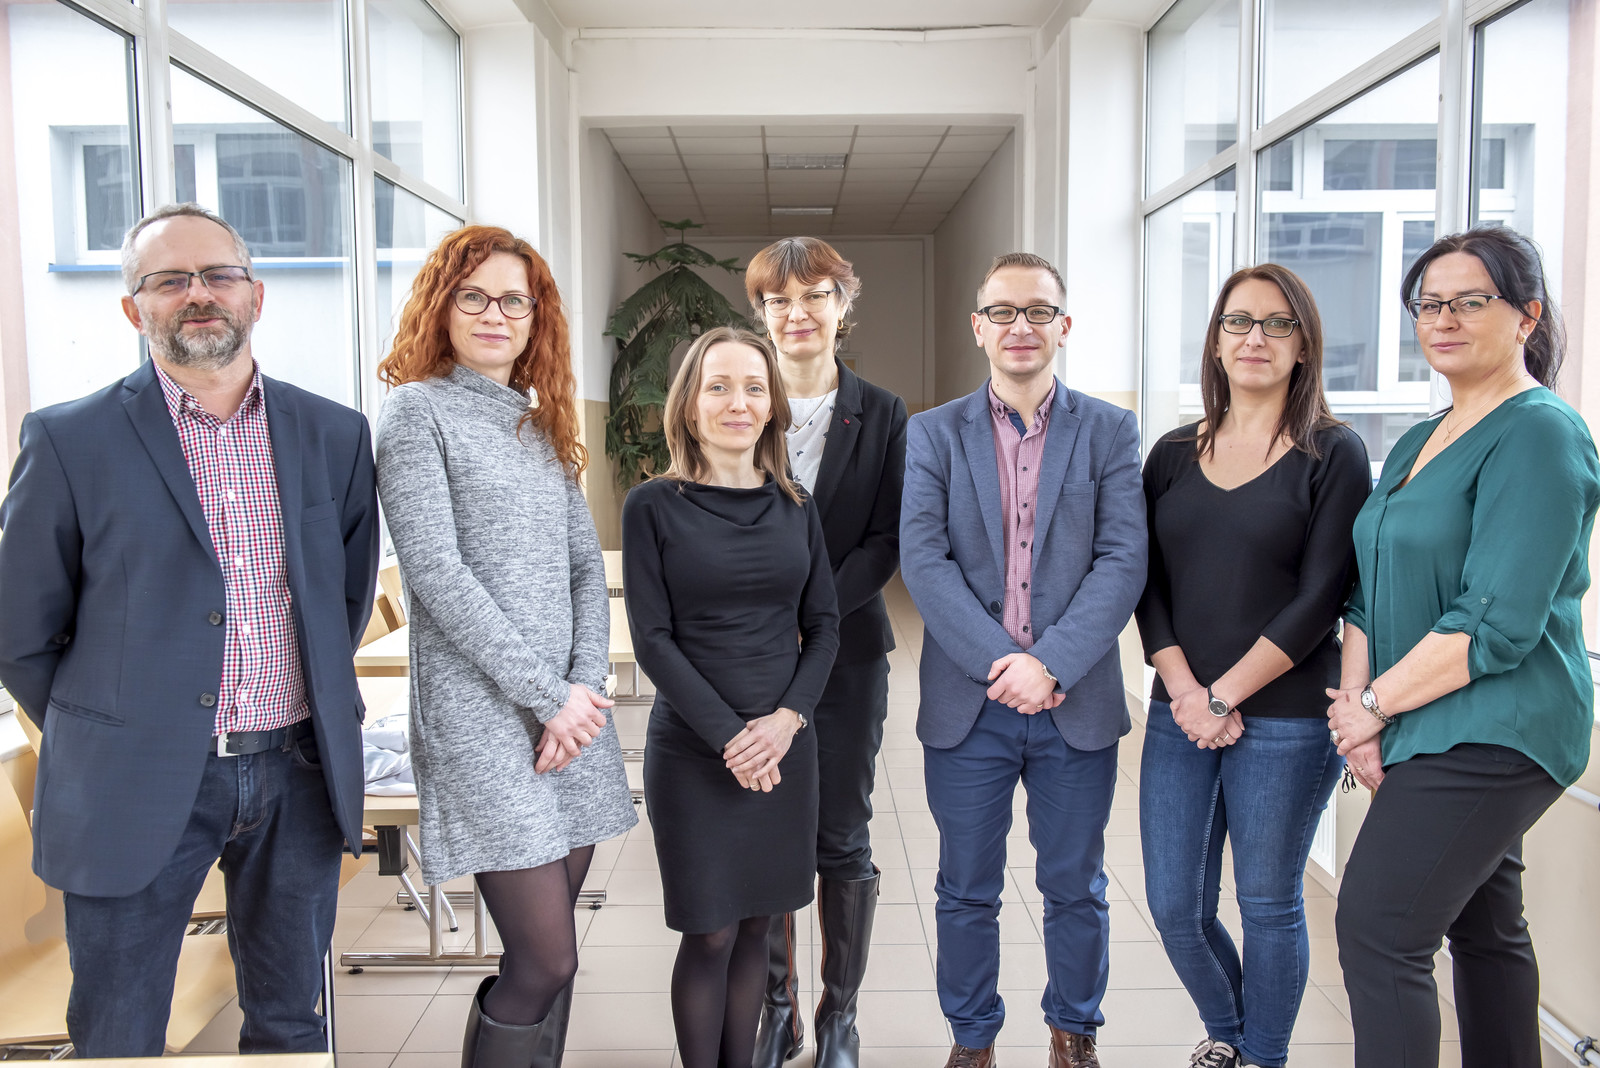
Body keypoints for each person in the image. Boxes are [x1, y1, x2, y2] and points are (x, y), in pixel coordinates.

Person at [0, 202, 380, 1056]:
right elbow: (21, 630)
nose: (198, 293)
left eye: (218, 274)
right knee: (119, 1032)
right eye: (169, 280)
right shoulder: (68, 439)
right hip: (130, 781)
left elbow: (342, 600)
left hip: (297, 771)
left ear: (255, 295)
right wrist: (111, 726)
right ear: (133, 308)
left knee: (291, 1022)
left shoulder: (334, 433)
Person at [1329, 226, 1599, 1068]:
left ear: (1528, 316)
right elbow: (1368, 584)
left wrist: (1373, 708)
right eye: (1429, 303)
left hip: (1499, 724)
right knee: (1486, 928)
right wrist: (1357, 706)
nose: (1443, 319)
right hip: (1419, 713)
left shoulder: (1541, 433)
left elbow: (1496, 622)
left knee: (1377, 930)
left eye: (1470, 301)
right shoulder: (1421, 438)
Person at [374, 225, 637, 1068]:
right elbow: (436, 575)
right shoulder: (416, 412)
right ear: (442, 307)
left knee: (556, 959)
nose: (495, 314)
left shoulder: (538, 423)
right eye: (474, 296)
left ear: (535, 318)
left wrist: (582, 690)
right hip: (485, 719)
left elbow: (583, 569)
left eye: (513, 300)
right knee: (545, 957)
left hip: (567, 720)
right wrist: (548, 696)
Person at [900, 252, 1146, 1068]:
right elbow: (923, 561)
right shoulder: (933, 433)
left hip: (1075, 703)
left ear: (1063, 327)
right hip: (968, 706)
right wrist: (1007, 664)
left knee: (1075, 885)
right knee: (966, 888)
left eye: (1038, 310)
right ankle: (973, 1040)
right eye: (1003, 311)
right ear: (978, 327)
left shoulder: (1109, 430)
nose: (1020, 326)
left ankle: (1074, 1032)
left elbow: (1122, 560)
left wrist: (1052, 664)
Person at [1134, 264, 1371, 1068]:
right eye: (1238, 322)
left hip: (1289, 717)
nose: (1255, 338)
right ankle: (1231, 1035)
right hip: (1178, 710)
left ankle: (1258, 1057)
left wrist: (1223, 695)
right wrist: (1184, 692)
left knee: (1268, 903)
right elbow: (1146, 584)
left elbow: (1321, 596)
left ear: (1304, 344)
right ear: (1215, 341)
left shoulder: (1334, 453)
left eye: (1277, 324)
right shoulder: (1172, 452)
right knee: (1175, 906)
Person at [621, 325, 840, 1068]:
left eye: (753, 387)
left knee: (757, 926)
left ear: (773, 405)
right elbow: (653, 641)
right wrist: (732, 738)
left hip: (784, 750)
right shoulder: (652, 505)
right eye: (718, 386)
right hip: (694, 751)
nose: (737, 402)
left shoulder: (797, 505)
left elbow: (825, 626)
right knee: (710, 931)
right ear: (689, 405)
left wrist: (784, 723)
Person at [743, 237, 906, 1068]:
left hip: (847, 658)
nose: (797, 313)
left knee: (842, 834)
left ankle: (839, 1017)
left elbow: (886, 539)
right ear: (761, 313)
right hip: (748, 659)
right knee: (769, 833)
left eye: (815, 296)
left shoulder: (882, 412)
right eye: (778, 300)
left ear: (844, 305)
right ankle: (778, 1012)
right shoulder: (737, 399)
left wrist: (817, 620)